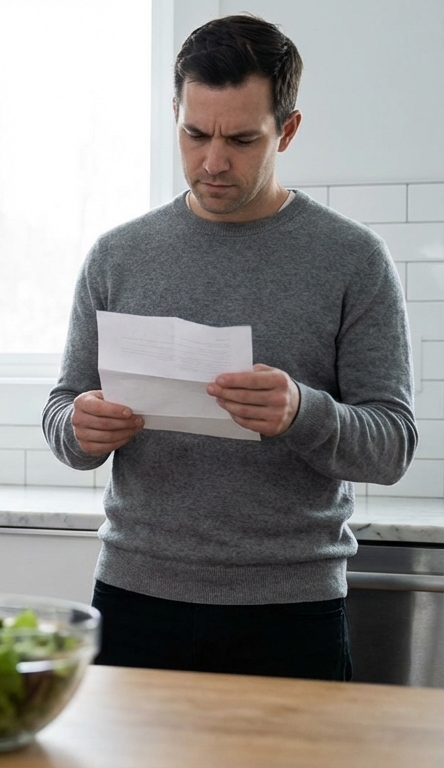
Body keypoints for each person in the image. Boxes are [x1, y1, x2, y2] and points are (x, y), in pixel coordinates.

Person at [42, 14, 415, 681]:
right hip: (134, 599)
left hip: (290, 612)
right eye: (194, 133)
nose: (213, 161)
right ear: (176, 115)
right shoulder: (117, 256)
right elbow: (62, 416)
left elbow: (391, 444)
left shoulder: (353, 260)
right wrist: (81, 426)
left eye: (242, 139)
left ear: (288, 129)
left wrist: (302, 410)